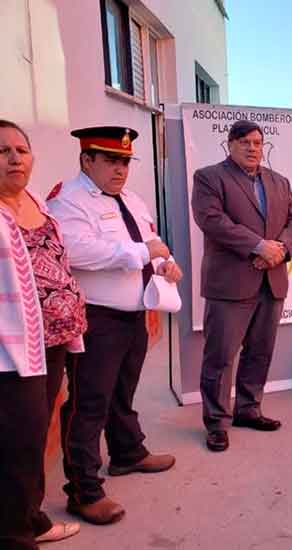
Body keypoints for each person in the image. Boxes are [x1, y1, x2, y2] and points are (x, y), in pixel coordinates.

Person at [48, 126, 183, 525]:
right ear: (86, 160)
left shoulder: (133, 200)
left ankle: (127, 453)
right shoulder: (67, 201)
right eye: (110, 160)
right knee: (88, 405)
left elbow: (152, 244)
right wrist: (143, 251)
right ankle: (83, 491)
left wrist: (163, 264)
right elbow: (75, 252)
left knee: (122, 392)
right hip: (96, 319)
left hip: (133, 314)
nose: (120, 169)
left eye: (124, 161)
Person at [191, 120, 292, 453]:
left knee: (260, 351)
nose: (252, 148)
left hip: (271, 281)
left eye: (257, 142)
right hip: (230, 283)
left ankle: (248, 409)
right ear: (230, 144)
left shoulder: (279, 182)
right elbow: (211, 220)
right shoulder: (210, 177)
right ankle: (216, 423)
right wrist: (258, 246)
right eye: (244, 142)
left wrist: (280, 250)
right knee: (220, 357)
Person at [0, 120, 84, 548]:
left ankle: (31, 519)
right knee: (15, 445)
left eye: (21, 149)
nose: (15, 158)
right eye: (3, 151)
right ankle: (15, 535)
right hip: (9, 354)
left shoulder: (36, 201)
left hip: (51, 343)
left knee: (33, 438)